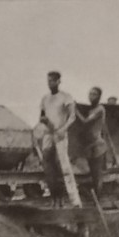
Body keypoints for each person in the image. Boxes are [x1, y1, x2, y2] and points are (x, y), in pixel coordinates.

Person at [38, 71, 83, 208]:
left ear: (58, 81)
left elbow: (72, 116)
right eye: (48, 80)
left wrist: (63, 129)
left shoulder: (65, 97)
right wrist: (43, 121)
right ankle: (54, 197)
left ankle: (74, 200)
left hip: (60, 134)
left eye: (52, 80)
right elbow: (41, 116)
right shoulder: (45, 99)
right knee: (48, 166)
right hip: (48, 134)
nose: (50, 83)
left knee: (64, 166)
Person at [75, 87, 109, 196]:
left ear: (99, 96)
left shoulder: (100, 109)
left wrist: (76, 111)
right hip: (89, 146)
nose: (91, 96)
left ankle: (98, 198)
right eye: (90, 94)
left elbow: (86, 122)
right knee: (92, 173)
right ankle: (94, 196)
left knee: (96, 174)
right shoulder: (90, 110)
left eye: (94, 94)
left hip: (97, 145)